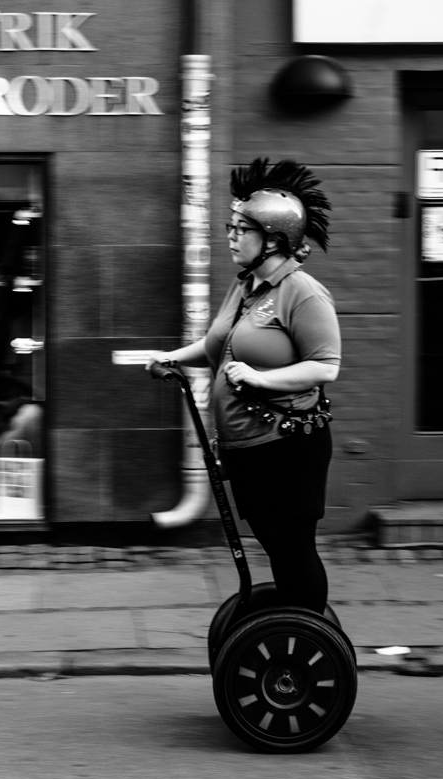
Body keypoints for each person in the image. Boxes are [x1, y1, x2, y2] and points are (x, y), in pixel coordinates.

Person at [148, 158, 340, 613]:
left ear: (273, 239)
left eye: (240, 229)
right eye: (230, 227)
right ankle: (291, 624)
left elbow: (325, 366)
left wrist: (259, 378)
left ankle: (306, 639)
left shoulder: (301, 291)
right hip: (248, 446)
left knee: (291, 545)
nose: (231, 236)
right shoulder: (247, 287)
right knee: (273, 543)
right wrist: (172, 357)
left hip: (287, 447)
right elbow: (217, 347)